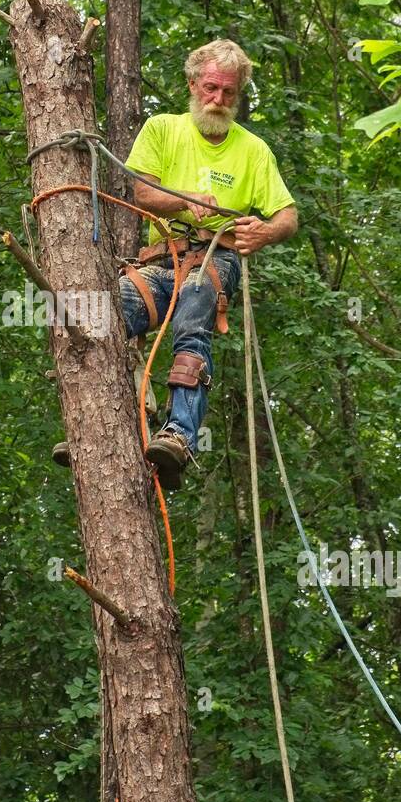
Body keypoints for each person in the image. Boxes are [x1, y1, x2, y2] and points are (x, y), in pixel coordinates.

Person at [54, 37, 298, 490]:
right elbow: (140, 192)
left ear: (238, 94)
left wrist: (265, 231)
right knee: (98, 320)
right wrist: (185, 203)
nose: (217, 99)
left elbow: (288, 215)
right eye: (210, 88)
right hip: (161, 259)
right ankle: (91, 430)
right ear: (191, 84)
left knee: (193, 317)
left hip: (213, 258)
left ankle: (178, 437)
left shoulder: (253, 150)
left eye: (228, 92)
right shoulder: (163, 129)